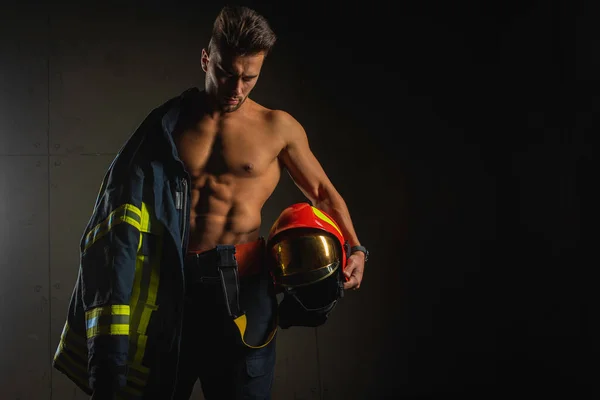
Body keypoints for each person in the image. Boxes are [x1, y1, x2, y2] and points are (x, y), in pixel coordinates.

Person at [53, 5, 367, 400]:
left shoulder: (277, 127)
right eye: (226, 73)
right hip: (173, 284)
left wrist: (356, 248)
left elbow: (321, 191)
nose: (236, 88)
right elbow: (122, 198)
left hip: (243, 283)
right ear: (206, 59)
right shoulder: (169, 125)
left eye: (249, 78)